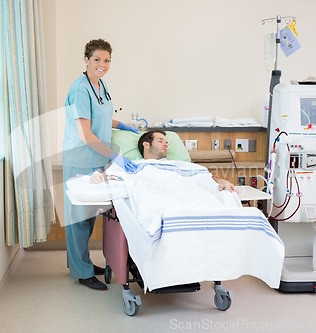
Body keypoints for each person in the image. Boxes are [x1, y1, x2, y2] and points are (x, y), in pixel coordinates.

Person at [63, 38, 138, 291]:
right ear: (86, 60)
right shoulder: (80, 89)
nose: (102, 65)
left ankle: (82, 262)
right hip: (81, 159)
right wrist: (116, 156)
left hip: (98, 159)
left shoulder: (101, 84)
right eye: (97, 59)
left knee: (89, 216)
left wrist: (123, 125)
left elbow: (103, 116)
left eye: (106, 60)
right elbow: (85, 134)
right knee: (77, 219)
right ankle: (81, 271)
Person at [91, 129, 236, 192]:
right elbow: (113, 178)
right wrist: (99, 176)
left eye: (166, 142)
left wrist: (220, 182)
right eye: (160, 140)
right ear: (146, 145)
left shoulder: (177, 164)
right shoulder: (135, 166)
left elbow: (201, 176)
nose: (166, 144)